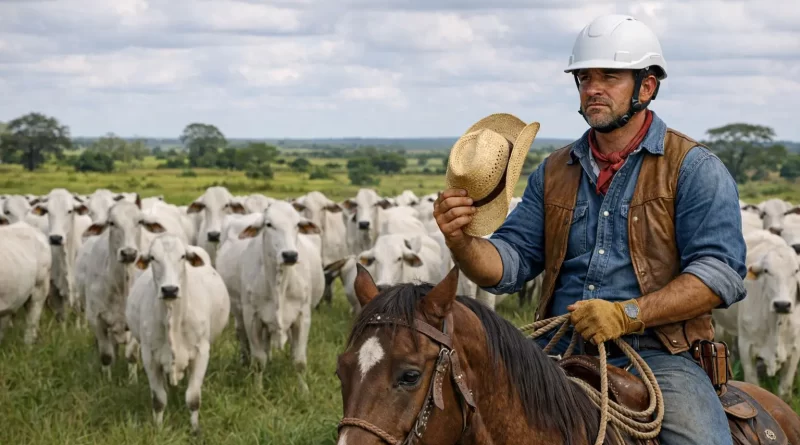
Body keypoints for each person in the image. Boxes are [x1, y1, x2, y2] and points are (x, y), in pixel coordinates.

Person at [433, 14, 746, 445]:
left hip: (659, 356)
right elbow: (509, 264)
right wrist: (462, 241)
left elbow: (719, 273)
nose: (592, 88)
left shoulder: (693, 168)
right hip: (555, 348)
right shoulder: (555, 170)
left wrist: (626, 314)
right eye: (584, 77)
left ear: (647, 86)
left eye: (609, 76)